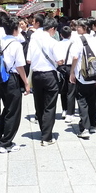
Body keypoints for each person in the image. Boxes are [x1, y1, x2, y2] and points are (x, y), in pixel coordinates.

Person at [0, 15, 30, 152]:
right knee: (14, 111)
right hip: (12, 78)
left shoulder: (0, 41)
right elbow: (20, 67)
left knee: (7, 108)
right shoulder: (16, 44)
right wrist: (26, 83)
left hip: (0, 78)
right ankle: (6, 143)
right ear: (15, 29)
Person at [27, 16, 63, 146]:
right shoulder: (53, 42)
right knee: (50, 106)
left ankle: (43, 130)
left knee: (39, 104)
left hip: (36, 75)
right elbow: (59, 61)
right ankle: (46, 137)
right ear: (52, 29)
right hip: (49, 75)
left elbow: (29, 60)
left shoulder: (33, 39)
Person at [69, 18, 96, 139]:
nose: (77, 28)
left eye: (79, 27)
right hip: (94, 75)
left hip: (82, 76)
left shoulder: (78, 41)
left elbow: (74, 58)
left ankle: (84, 128)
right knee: (91, 101)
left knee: (82, 102)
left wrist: (72, 72)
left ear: (84, 28)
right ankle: (93, 125)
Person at [55, 26, 75, 122]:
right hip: (71, 68)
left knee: (63, 90)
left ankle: (64, 109)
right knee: (71, 91)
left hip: (61, 68)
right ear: (71, 35)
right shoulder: (73, 44)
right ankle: (70, 113)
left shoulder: (57, 44)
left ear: (61, 35)